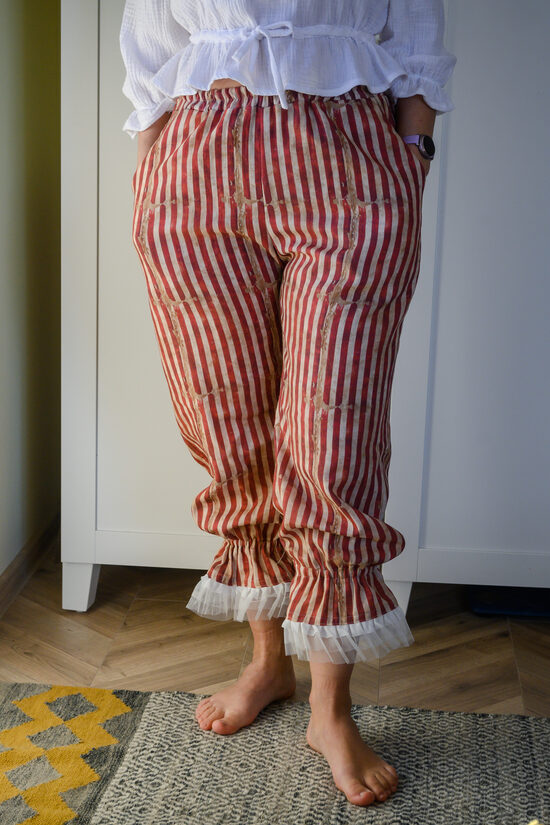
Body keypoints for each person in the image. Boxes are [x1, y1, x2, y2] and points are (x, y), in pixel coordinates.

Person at [120, 0, 457, 808]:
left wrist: (412, 153)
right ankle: (268, 662)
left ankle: (331, 708)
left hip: (350, 159)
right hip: (194, 168)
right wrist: (152, 169)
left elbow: (418, 36)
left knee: (333, 440)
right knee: (230, 431)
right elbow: (150, 51)